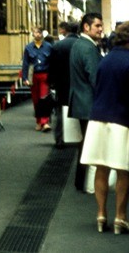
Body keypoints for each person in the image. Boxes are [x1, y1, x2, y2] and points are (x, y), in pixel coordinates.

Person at [79, 20, 129, 234]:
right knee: (123, 171)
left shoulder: (104, 60)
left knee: (101, 167)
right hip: (122, 120)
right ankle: (120, 217)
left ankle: (101, 215)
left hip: (98, 118)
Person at [69, 12, 104, 192]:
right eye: (97, 26)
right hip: (88, 103)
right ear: (86, 27)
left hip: (80, 101)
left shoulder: (78, 44)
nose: (101, 29)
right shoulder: (88, 48)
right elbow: (95, 78)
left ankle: (80, 181)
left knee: (84, 143)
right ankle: (84, 183)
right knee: (89, 145)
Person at [48, 21, 79, 147]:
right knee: (79, 111)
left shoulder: (58, 46)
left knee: (61, 111)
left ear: (65, 30)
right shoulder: (83, 45)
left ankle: (60, 139)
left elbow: (52, 67)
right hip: (79, 84)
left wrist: (52, 83)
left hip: (62, 84)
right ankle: (78, 138)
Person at [22, 25, 53, 132]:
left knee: (43, 98)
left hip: (45, 75)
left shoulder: (49, 47)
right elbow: (25, 63)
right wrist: (24, 77)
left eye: (39, 32)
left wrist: (53, 76)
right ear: (33, 34)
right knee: (36, 100)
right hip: (33, 76)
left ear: (42, 34)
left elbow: (52, 62)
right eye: (35, 32)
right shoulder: (28, 48)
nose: (37, 34)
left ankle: (45, 122)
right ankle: (38, 121)